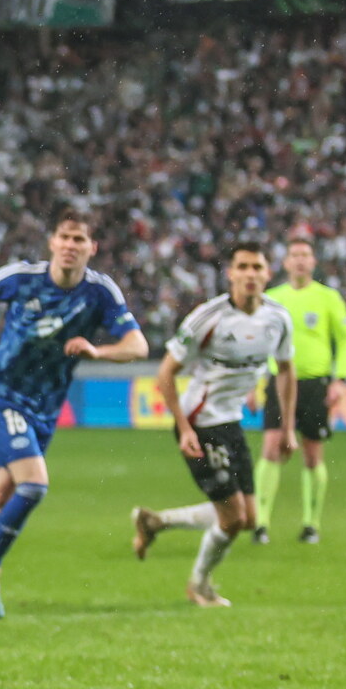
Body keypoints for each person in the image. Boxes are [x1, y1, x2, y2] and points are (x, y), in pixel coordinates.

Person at [0, 208, 148, 622]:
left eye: (80, 240)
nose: (71, 246)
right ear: (52, 243)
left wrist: (99, 351)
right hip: (2, 400)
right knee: (34, 485)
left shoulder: (100, 292)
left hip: (44, 412)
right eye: (64, 237)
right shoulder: (20, 278)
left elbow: (138, 346)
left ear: (92, 247)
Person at [129, 243, 297, 606]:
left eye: (257, 267)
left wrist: (287, 428)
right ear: (231, 274)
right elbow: (166, 373)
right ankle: (199, 585)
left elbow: (285, 370)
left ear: (268, 274)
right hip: (200, 422)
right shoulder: (208, 318)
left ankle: (156, 522)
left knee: (249, 517)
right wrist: (184, 427)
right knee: (233, 517)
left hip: (231, 421)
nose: (250, 274)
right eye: (243, 266)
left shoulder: (278, 319)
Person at [256, 238, 346, 544]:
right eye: (294, 255)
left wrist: (340, 379)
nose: (300, 260)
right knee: (271, 446)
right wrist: (255, 382)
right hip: (279, 381)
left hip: (315, 382)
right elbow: (258, 344)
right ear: (285, 263)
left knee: (312, 453)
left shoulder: (328, 298)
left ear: (313, 262)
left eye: (305, 255)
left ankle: (310, 524)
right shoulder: (271, 298)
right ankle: (261, 524)